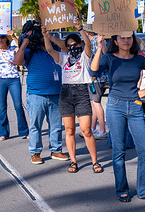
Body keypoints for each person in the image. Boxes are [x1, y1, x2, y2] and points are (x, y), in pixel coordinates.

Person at [90, 32, 145, 203]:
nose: (126, 40)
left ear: (133, 39)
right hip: (115, 106)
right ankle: (122, 190)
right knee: (119, 151)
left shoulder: (139, 59)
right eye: (122, 38)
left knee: (144, 150)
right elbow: (93, 71)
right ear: (115, 41)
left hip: (135, 106)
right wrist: (99, 46)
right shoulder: (109, 58)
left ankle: (144, 190)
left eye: (129, 37)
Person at [43, 22, 103, 173]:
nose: (72, 47)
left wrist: (80, 29)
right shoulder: (63, 57)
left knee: (86, 130)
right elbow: (49, 49)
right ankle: (73, 161)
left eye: (75, 44)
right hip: (66, 92)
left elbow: (88, 44)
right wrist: (45, 36)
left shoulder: (85, 56)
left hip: (82, 92)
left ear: (79, 44)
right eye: (69, 45)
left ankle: (95, 162)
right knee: (69, 130)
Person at [13, 20, 70, 165]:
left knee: (56, 124)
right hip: (36, 94)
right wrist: (25, 42)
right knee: (35, 126)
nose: (39, 37)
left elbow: (65, 47)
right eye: (38, 34)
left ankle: (56, 150)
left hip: (56, 92)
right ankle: (35, 152)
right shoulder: (30, 51)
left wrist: (49, 37)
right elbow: (17, 61)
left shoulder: (54, 46)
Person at [85, 25, 109, 139]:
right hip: (98, 76)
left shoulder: (95, 41)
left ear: (86, 32)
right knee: (94, 102)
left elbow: (102, 55)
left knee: (96, 102)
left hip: (97, 76)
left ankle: (102, 130)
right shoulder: (96, 40)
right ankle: (93, 128)